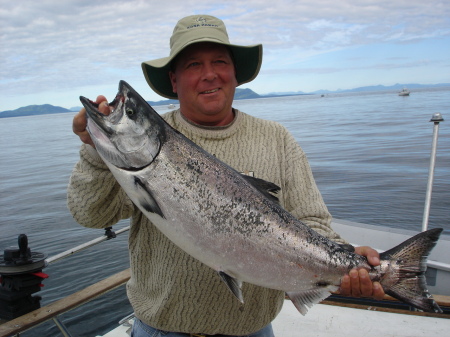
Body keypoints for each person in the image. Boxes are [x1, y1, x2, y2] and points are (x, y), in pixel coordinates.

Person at [68, 14, 384, 337]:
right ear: (174, 81)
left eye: (219, 61)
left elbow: (313, 223)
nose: (209, 75)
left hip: (253, 331)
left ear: (234, 74)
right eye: (193, 65)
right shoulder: (133, 161)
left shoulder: (277, 140)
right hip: (160, 330)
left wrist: (348, 260)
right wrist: (95, 149)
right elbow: (90, 214)